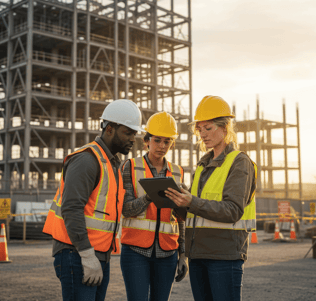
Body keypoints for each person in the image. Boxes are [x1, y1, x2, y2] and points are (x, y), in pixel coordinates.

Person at [43, 99, 145, 301]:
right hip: (77, 253)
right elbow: (71, 209)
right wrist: (87, 255)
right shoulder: (87, 160)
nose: (133, 139)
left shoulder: (112, 163)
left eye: (135, 134)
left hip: (96, 254)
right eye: (128, 132)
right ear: (109, 129)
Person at [165, 96, 257, 301]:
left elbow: (232, 210)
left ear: (225, 128)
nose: (203, 134)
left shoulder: (239, 162)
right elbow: (195, 212)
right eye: (199, 129)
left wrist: (191, 202)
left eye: (208, 128)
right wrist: (176, 202)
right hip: (198, 255)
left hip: (224, 256)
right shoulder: (203, 165)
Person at [120, 111, 188, 301]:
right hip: (135, 251)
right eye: (157, 140)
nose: (162, 146)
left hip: (167, 253)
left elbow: (180, 219)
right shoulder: (130, 167)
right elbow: (126, 209)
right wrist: (149, 197)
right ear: (146, 141)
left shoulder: (178, 172)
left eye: (167, 142)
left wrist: (183, 255)